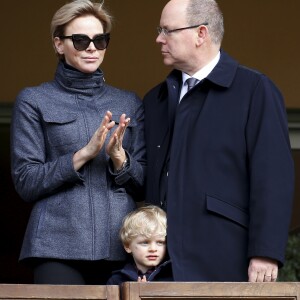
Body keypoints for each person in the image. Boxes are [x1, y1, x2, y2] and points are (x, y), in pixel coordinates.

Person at [143, 0, 294, 282]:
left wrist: (265, 251)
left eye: (167, 30)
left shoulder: (254, 90)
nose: (158, 39)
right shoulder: (155, 100)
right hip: (160, 267)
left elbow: (273, 177)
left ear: (201, 33)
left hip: (225, 259)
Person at [10, 0, 146, 285]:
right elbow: (26, 180)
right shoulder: (34, 100)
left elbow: (144, 182)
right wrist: (82, 155)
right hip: (56, 245)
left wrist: (120, 158)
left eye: (100, 40)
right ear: (59, 44)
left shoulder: (128, 102)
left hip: (121, 245)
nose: (92, 48)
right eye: (81, 40)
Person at [107, 205, 172, 284]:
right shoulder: (118, 280)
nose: (153, 249)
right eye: (145, 243)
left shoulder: (172, 277)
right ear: (128, 246)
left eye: (160, 242)